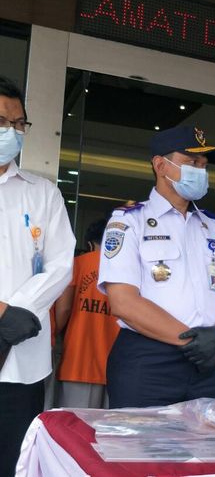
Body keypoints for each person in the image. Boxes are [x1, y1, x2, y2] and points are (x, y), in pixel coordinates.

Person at [98, 126, 215, 408]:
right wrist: (190, 342)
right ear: (160, 165)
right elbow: (124, 302)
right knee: (141, 450)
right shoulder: (129, 221)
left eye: (203, 165)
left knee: (205, 449)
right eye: (191, 163)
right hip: (149, 360)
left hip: (210, 359)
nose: (200, 171)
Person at [0, 76, 75, 477]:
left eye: (18, 124)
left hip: (23, 357)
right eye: (1, 122)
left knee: (14, 460)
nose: (10, 132)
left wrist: (18, 312)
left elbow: (62, 264)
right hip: (10, 323)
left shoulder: (42, 193)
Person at [56, 219, 120, 408]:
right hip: (117, 364)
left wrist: (56, 334)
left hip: (78, 360)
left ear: (91, 244)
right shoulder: (128, 268)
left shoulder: (78, 264)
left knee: (74, 429)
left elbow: (64, 308)